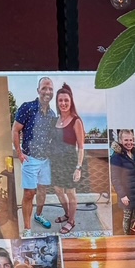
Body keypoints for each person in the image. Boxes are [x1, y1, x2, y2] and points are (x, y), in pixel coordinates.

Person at [12, 77, 57, 232]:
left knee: (42, 191)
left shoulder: (52, 114)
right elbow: (15, 130)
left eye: (50, 89)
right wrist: (19, 153)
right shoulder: (27, 107)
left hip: (45, 160)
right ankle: (27, 229)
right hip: (30, 158)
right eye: (44, 88)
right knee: (29, 193)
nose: (47, 91)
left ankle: (38, 215)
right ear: (38, 90)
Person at [50, 83, 85, 234]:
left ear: (71, 102)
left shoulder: (76, 121)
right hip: (56, 162)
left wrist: (78, 168)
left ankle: (71, 221)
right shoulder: (55, 121)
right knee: (58, 190)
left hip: (70, 162)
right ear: (57, 102)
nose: (63, 103)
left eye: (66, 100)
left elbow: (81, 147)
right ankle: (67, 214)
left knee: (70, 193)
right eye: (60, 100)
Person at [111, 131, 135, 234]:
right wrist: (122, 195)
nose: (129, 143)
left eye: (131, 140)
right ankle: (127, 236)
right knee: (127, 217)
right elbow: (115, 178)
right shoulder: (116, 157)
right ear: (120, 141)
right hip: (127, 194)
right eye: (126, 140)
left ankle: (134, 234)